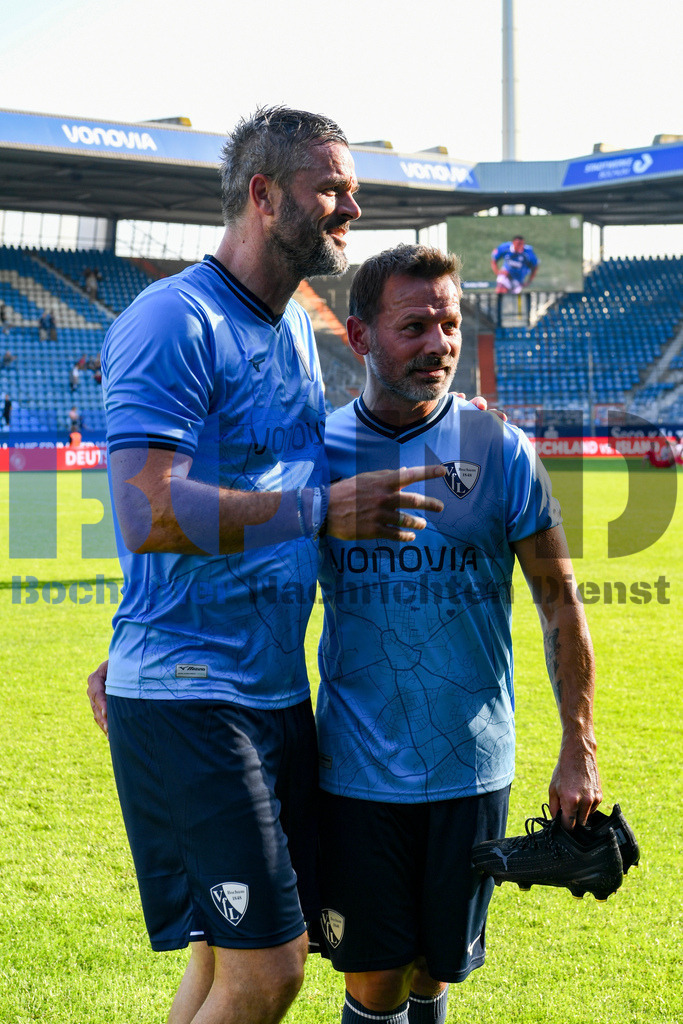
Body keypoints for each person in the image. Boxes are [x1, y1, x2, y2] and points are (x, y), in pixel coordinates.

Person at [86, 107, 446, 1024]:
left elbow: (252, 482)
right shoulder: (174, 318)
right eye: (332, 188)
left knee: (219, 962)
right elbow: (149, 509)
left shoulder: (289, 327)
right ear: (262, 195)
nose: (350, 209)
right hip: (197, 696)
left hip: (270, 693)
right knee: (270, 969)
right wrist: (323, 508)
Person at [314, 244, 602, 1024]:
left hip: (471, 768)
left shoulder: (501, 451)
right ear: (359, 336)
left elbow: (559, 604)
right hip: (354, 769)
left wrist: (578, 746)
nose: (439, 344)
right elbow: (248, 589)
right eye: (414, 326)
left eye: (447, 323)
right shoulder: (317, 452)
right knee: (372, 976)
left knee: (434, 973)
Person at [490, 234, 538, 324]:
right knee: (500, 289)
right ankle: (496, 309)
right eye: (518, 244)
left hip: (518, 279)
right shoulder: (505, 247)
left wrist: (529, 280)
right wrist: (497, 272)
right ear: (513, 243)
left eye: (522, 244)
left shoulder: (528, 252)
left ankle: (513, 316)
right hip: (506, 274)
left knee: (513, 296)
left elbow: (535, 266)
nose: (520, 247)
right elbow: (493, 259)